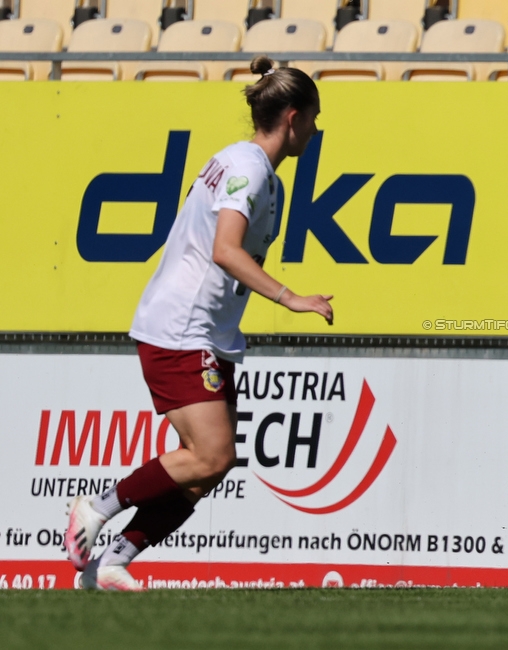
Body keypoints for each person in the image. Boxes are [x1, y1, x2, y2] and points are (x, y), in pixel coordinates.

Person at [65, 55, 333, 591]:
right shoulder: (249, 168)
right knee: (211, 455)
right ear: (293, 117)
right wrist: (290, 298)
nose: (316, 130)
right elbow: (225, 250)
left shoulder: (251, 168)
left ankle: (112, 563)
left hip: (209, 332)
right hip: (181, 328)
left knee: (207, 471)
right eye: (314, 119)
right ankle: (96, 507)